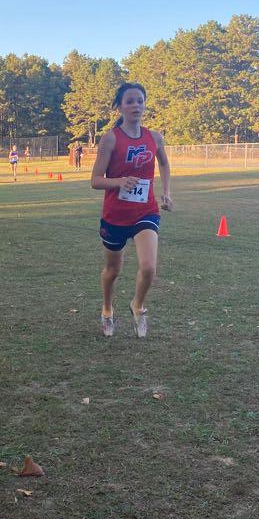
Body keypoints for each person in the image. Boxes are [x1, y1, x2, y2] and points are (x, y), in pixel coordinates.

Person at [90, 82, 172, 338]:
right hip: (115, 215)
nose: (136, 105)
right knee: (113, 270)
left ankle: (138, 305)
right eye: (130, 101)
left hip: (145, 211)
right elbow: (95, 180)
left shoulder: (154, 137)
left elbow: (164, 164)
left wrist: (166, 192)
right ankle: (107, 310)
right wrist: (119, 181)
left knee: (148, 267)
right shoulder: (110, 139)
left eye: (140, 101)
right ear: (120, 106)